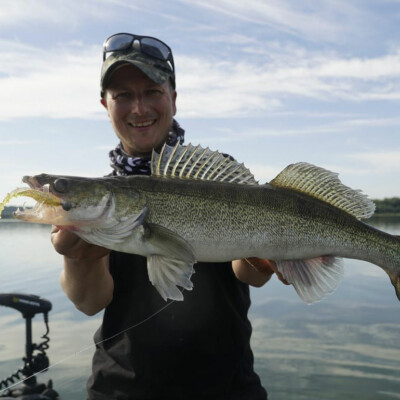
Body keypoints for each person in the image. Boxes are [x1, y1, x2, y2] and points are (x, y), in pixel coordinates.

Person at [51, 33, 289, 400]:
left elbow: (250, 276)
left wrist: (273, 254)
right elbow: (89, 302)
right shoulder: (97, 201)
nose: (139, 108)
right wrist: (77, 257)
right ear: (105, 105)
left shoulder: (216, 176)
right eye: (123, 95)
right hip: (121, 390)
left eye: (152, 92)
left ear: (173, 99)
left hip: (228, 388)